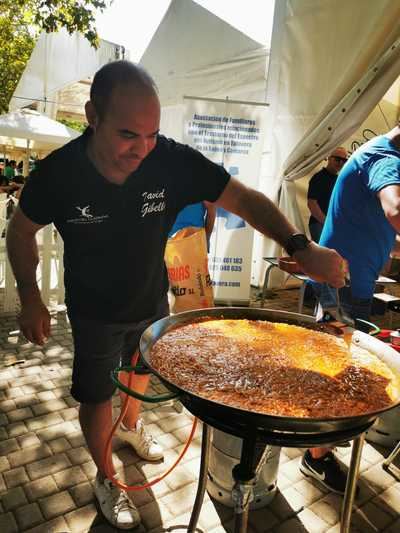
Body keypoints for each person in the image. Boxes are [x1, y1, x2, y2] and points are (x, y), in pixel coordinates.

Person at [6, 60, 345, 530]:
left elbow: (242, 199)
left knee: (141, 371)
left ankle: (129, 431)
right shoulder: (58, 173)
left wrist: (300, 246)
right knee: (96, 393)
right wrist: (30, 297)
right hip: (94, 312)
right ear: (92, 115)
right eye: (128, 135)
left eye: (151, 135)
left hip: (151, 302)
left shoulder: (171, 159)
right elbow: (20, 232)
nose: (142, 150)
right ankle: (107, 478)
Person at [301, 125, 400, 495]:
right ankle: (316, 455)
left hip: (344, 283)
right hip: (341, 287)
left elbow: (381, 231)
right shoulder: (386, 159)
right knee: (340, 374)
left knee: (342, 370)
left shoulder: (380, 156)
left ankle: (322, 438)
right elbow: (396, 209)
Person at [307, 147, 348, 242]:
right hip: (319, 224)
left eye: (344, 160)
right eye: (337, 159)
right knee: (324, 254)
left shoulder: (338, 179)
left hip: (331, 225)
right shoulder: (319, 177)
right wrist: (326, 223)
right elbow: (311, 203)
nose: (341, 163)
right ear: (329, 158)